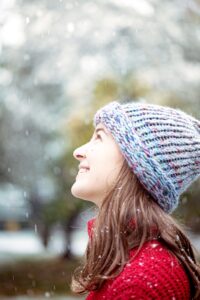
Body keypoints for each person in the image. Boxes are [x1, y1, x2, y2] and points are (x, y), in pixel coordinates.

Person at [70, 101, 200, 299]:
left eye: (99, 137)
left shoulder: (139, 284)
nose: (78, 151)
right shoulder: (133, 265)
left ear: (136, 162)